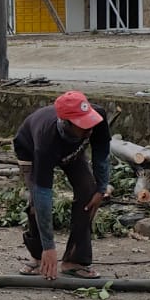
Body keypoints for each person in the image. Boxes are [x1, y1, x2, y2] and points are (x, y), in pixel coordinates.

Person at [13, 91, 113, 280]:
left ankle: (75, 260)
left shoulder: (97, 119)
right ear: (66, 123)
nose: (89, 129)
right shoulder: (45, 141)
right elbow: (43, 194)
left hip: (71, 149)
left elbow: (101, 153)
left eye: (89, 121)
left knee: (88, 193)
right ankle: (39, 256)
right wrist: (49, 246)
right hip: (30, 148)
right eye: (83, 125)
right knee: (36, 203)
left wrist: (101, 188)